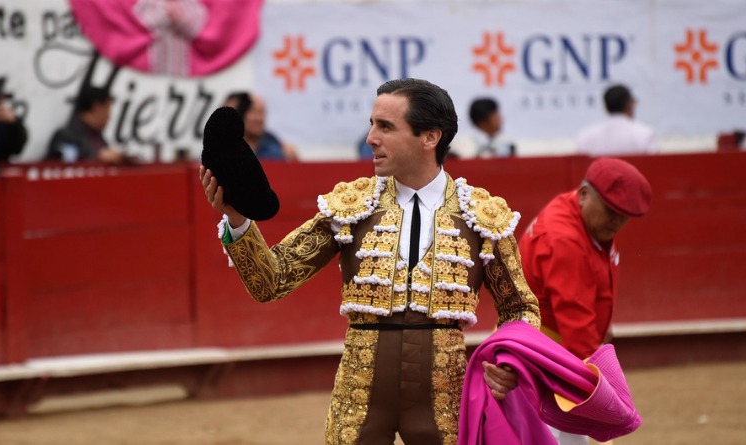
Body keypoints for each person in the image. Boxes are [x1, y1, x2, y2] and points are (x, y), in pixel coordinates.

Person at [200, 78, 540, 444]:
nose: (371, 138)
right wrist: (238, 220)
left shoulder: (481, 215)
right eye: (372, 124)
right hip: (358, 392)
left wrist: (508, 363)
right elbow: (272, 281)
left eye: (386, 127)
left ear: (430, 137)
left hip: (446, 392)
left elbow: (520, 308)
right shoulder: (351, 205)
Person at [513, 157, 652, 445]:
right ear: (586, 194)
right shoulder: (565, 241)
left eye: (624, 216)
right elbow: (577, 333)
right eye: (611, 211)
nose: (616, 222)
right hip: (549, 362)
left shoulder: (577, 211)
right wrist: (604, 393)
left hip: (553, 356)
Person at [46, 86, 126, 164]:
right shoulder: (65, 135)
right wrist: (97, 157)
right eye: (107, 109)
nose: (109, 116)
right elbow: (62, 161)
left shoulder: (100, 138)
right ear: (97, 107)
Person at [575, 84, 657, 156]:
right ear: (630, 105)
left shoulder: (586, 136)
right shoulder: (645, 134)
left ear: (606, 107)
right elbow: (654, 167)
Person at [223, 92, 299, 161]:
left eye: (262, 112)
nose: (259, 118)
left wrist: (293, 160)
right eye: (254, 112)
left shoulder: (273, 143)